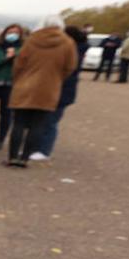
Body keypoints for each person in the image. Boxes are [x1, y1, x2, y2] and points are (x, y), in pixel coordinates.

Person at [7, 17, 77, 168]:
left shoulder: (32, 40)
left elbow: (19, 64)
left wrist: (18, 79)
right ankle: (25, 158)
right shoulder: (68, 43)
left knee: (18, 123)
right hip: (49, 88)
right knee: (37, 125)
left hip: (25, 85)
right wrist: (57, 78)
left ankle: (13, 156)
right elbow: (70, 67)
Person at [31, 25, 86, 160]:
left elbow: (66, 71)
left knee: (50, 121)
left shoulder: (73, 51)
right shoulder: (73, 49)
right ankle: (38, 147)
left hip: (61, 91)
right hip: (57, 90)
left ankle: (44, 150)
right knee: (45, 120)